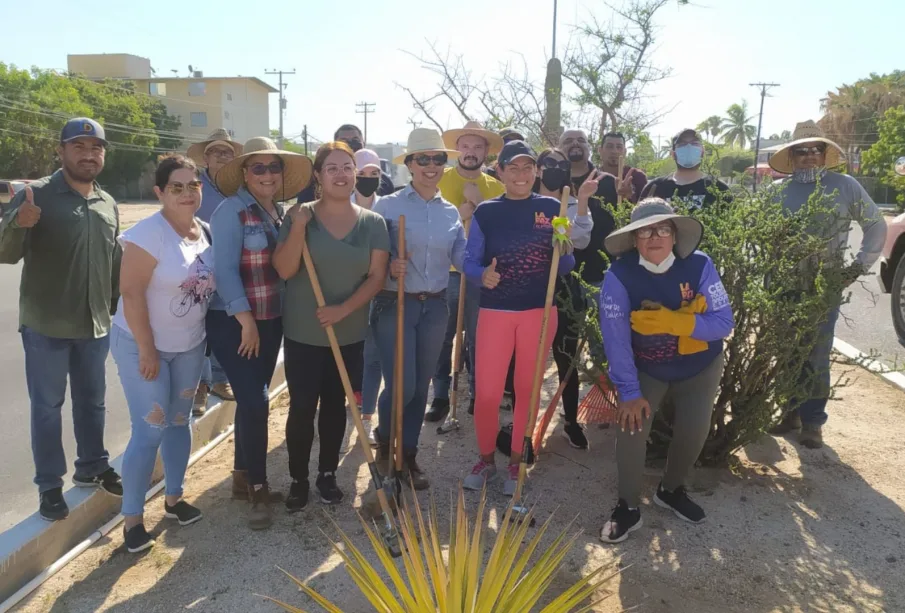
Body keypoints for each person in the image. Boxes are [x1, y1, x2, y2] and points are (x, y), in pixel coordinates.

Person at [0, 117, 123, 522]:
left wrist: (113, 305)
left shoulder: (107, 202)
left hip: (94, 324)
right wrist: (19, 225)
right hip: (46, 326)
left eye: (96, 148)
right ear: (61, 151)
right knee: (47, 409)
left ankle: (92, 466)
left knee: (93, 403)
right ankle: (50, 487)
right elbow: (6, 253)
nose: (89, 154)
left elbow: (113, 261)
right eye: (79, 146)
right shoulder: (36, 195)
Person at [596, 198, 734, 543]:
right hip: (647, 368)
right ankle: (627, 506)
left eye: (662, 228)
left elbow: (723, 322)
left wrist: (676, 322)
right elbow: (616, 341)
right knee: (631, 429)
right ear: (633, 238)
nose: (654, 236)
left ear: (674, 235)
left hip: (699, 365)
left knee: (694, 431)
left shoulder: (701, 265)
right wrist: (628, 392)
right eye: (645, 230)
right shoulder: (618, 276)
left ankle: (671, 490)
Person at [273, 142, 390, 510]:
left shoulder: (373, 223)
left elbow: (376, 277)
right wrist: (297, 230)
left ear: (356, 173)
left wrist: (342, 310)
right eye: (332, 168)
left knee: (337, 407)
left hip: (349, 331)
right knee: (303, 406)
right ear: (319, 177)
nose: (341, 174)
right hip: (304, 332)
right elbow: (284, 270)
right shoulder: (299, 216)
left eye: (347, 167)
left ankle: (326, 474)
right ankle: (298, 478)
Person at [208, 136, 312, 529]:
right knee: (255, 402)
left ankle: (241, 478)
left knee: (253, 401)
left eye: (274, 167)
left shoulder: (278, 212)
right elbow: (225, 272)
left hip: (271, 320)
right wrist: (245, 320)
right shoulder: (229, 212)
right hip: (236, 323)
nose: (268, 175)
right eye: (259, 168)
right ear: (245, 174)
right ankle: (257, 489)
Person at [461, 141, 576, 496]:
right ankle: (484, 460)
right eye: (513, 168)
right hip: (496, 313)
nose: (521, 175)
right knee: (488, 394)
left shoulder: (552, 208)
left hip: (539, 314)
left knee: (528, 390)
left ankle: (516, 461)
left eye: (528, 168)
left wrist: (564, 246)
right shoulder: (487, 213)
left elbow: (567, 266)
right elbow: (469, 261)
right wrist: (484, 276)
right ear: (501, 172)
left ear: (536, 172)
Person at [112, 155, 213, 553]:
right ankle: (133, 519)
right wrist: (147, 349)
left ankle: (173, 499)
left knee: (178, 420)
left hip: (189, 345)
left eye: (194, 185)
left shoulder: (202, 231)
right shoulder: (147, 235)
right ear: (160, 192)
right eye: (177, 186)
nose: (187, 193)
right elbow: (131, 293)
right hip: (143, 345)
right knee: (149, 429)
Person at [768, 121, 887, 449]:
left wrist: (858, 267)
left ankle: (812, 422)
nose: (809, 156)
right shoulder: (776, 192)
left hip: (824, 285)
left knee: (816, 352)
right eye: (801, 151)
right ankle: (788, 412)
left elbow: (875, 224)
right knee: (787, 351)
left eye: (815, 149)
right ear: (791, 156)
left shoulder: (845, 186)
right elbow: (760, 237)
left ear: (824, 153)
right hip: (783, 285)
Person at [370, 128, 467, 490]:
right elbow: (370, 258)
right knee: (403, 385)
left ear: (444, 165)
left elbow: (461, 255)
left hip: (436, 306)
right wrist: (388, 265)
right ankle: (385, 444)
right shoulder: (388, 206)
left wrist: (484, 267)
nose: (430, 165)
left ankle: (407, 455)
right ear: (409, 164)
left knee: (421, 386)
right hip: (395, 303)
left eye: (437, 159)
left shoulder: (450, 212)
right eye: (422, 159)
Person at [425, 121, 505, 423]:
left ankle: (477, 395)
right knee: (441, 337)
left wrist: (480, 203)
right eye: (466, 146)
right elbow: (426, 222)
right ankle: (442, 396)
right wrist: (460, 215)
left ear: (486, 151)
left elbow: (501, 232)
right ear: (457, 149)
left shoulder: (496, 187)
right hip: (443, 271)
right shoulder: (438, 180)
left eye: (478, 147)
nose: (471, 152)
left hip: (480, 273)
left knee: (479, 337)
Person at [533, 148, 595, 449]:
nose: (555, 169)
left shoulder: (570, 202)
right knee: (529, 361)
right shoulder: (524, 202)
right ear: (538, 168)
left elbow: (581, 239)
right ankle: (522, 425)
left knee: (567, 358)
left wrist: (581, 202)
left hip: (565, 289)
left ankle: (571, 419)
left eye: (561, 165)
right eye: (549, 164)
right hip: (529, 287)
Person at [186, 129, 243, 414]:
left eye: (227, 152)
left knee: (224, 325)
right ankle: (200, 386)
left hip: (231, 266)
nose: (222, 157)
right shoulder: (195, 187)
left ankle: (220, 379)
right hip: (197, 265)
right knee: (197, 328)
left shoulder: (238, 188)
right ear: (205, 157)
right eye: (216, 152)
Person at [353, 148, 387, 438]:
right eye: (361, 174)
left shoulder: (386, 207)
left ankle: (365, 416)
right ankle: (346, 413)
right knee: (351, 356)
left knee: (373, 355)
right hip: (346, 291)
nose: (367, 179)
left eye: (373, 174)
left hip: (379, 290)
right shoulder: (339, 205)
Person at [296, 124, 394, 202]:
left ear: (363, 144)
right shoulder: (316, 181)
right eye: (344, 141)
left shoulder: (383, 182)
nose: (350, 145)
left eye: (355, 140)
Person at [640, 128, 730, 210]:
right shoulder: (655, 187)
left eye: (694, 143)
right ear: (673, 154)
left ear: (702, 151)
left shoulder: (719, 189)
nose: (689, 147)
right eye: (682, 144)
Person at [562, 129, 647, 204]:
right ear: (600, 150)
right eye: (609, 146)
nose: (614, 151)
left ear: (625, 151)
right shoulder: (554, 178)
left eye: (619, 147)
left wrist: (628, 198)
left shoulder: (635, 177)